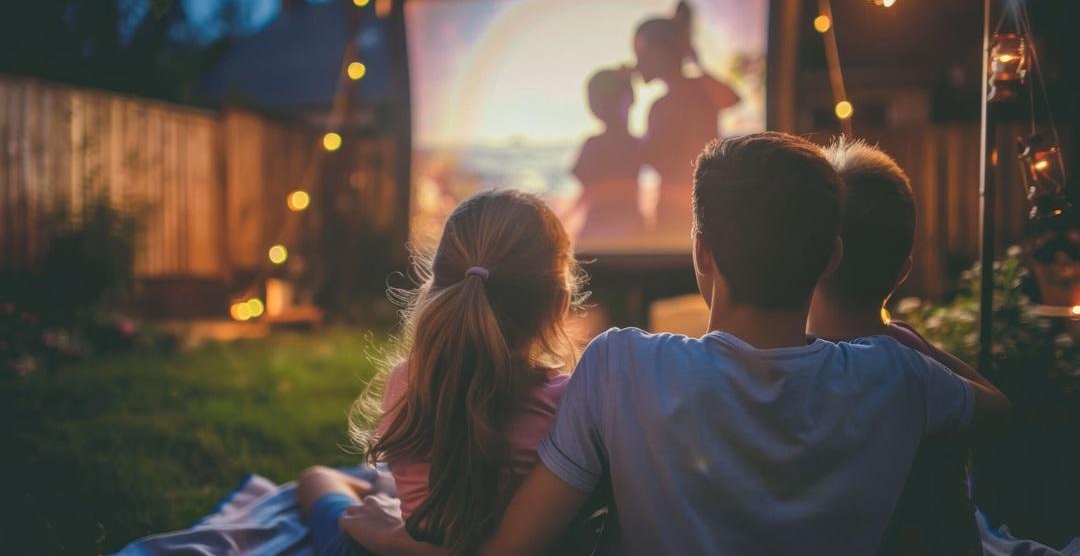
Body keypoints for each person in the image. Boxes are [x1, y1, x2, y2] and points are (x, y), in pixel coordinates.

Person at [338, 132, 1011, 555]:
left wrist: (374, 529)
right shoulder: (897, 377)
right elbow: (998, 410)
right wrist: (892, 332)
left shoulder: (621, 367)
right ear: (831, 258)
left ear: (701, 254)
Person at [297, 189, 587, 555]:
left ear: (437, 286)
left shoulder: (408, 380)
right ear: (559, 304)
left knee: (317, 479)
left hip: (377, 549)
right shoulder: (570, 405)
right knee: (362, 484)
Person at [807, 138, 1009, 555]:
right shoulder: (912, 362)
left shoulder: (797, 363)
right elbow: (999, 410)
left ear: (812, 259)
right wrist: (913, 342)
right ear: (903, 272)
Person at [634, 0, 740, 240]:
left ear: (663, 54)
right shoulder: (697, 92)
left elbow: (656, 159)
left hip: (678, 211)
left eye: (642, 53)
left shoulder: (667, 104)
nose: (638, 61)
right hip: (703, 205)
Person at [572, 66, 643, 245]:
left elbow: (586, 191)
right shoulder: (638, 144)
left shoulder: (593, 145)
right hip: (632, 229)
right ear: (630, 100)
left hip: (596, 231)